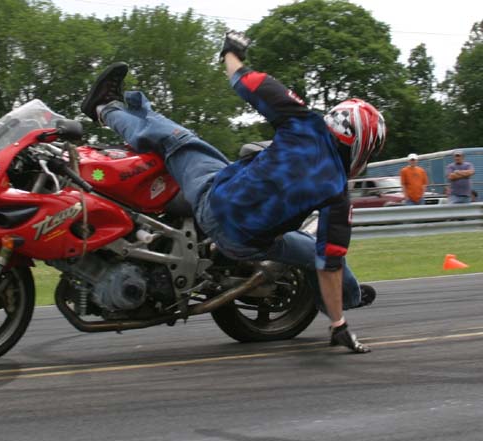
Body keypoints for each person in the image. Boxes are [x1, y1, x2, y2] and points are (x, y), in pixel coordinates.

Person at [80, 32, 386, 353]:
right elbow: (329, 264)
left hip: (213, 201)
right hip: (244, 244)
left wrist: (231, 51)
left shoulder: (302, 121)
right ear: (361, 146)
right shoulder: (336, 192)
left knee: (177, 139)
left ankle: (107, 108)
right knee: (315, 251)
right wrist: (338, 325)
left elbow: (243, 80)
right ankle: (347, 300)